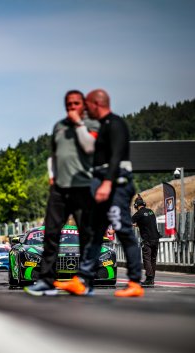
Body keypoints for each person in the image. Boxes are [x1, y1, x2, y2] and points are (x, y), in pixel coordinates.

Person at [54, 89, 144, 297]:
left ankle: (134, 282)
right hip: (104, 184)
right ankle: (83, 279)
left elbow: (116, 157)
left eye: (87, 105)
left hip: (115, 186)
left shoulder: (115, 124)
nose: (85, 110)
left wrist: (106, 183)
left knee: (123, 230)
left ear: (96, 104)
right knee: (95, 234)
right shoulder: (103, 127)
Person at [24, 90, 100, 295]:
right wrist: (52, 175)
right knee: (50, 233)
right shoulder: (59, 126)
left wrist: (78, 124)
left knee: (85, 234)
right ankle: (47, 281)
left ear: (83, 105)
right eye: (68, 104)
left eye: (76, 103)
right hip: (60, 188)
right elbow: (53, 155)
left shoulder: (92, 125)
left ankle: (85, 281)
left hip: (82, 186)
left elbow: (90, 147)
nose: (72, 107)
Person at [132, 194, 161, 286]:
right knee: (153, 259)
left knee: (147, 259)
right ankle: (152, 279)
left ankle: (149, 279)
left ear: (136, 206)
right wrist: (138, 225)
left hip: (147, 239)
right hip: (156, 238)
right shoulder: (151, 212)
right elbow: (147, 223)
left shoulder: (138, 214)